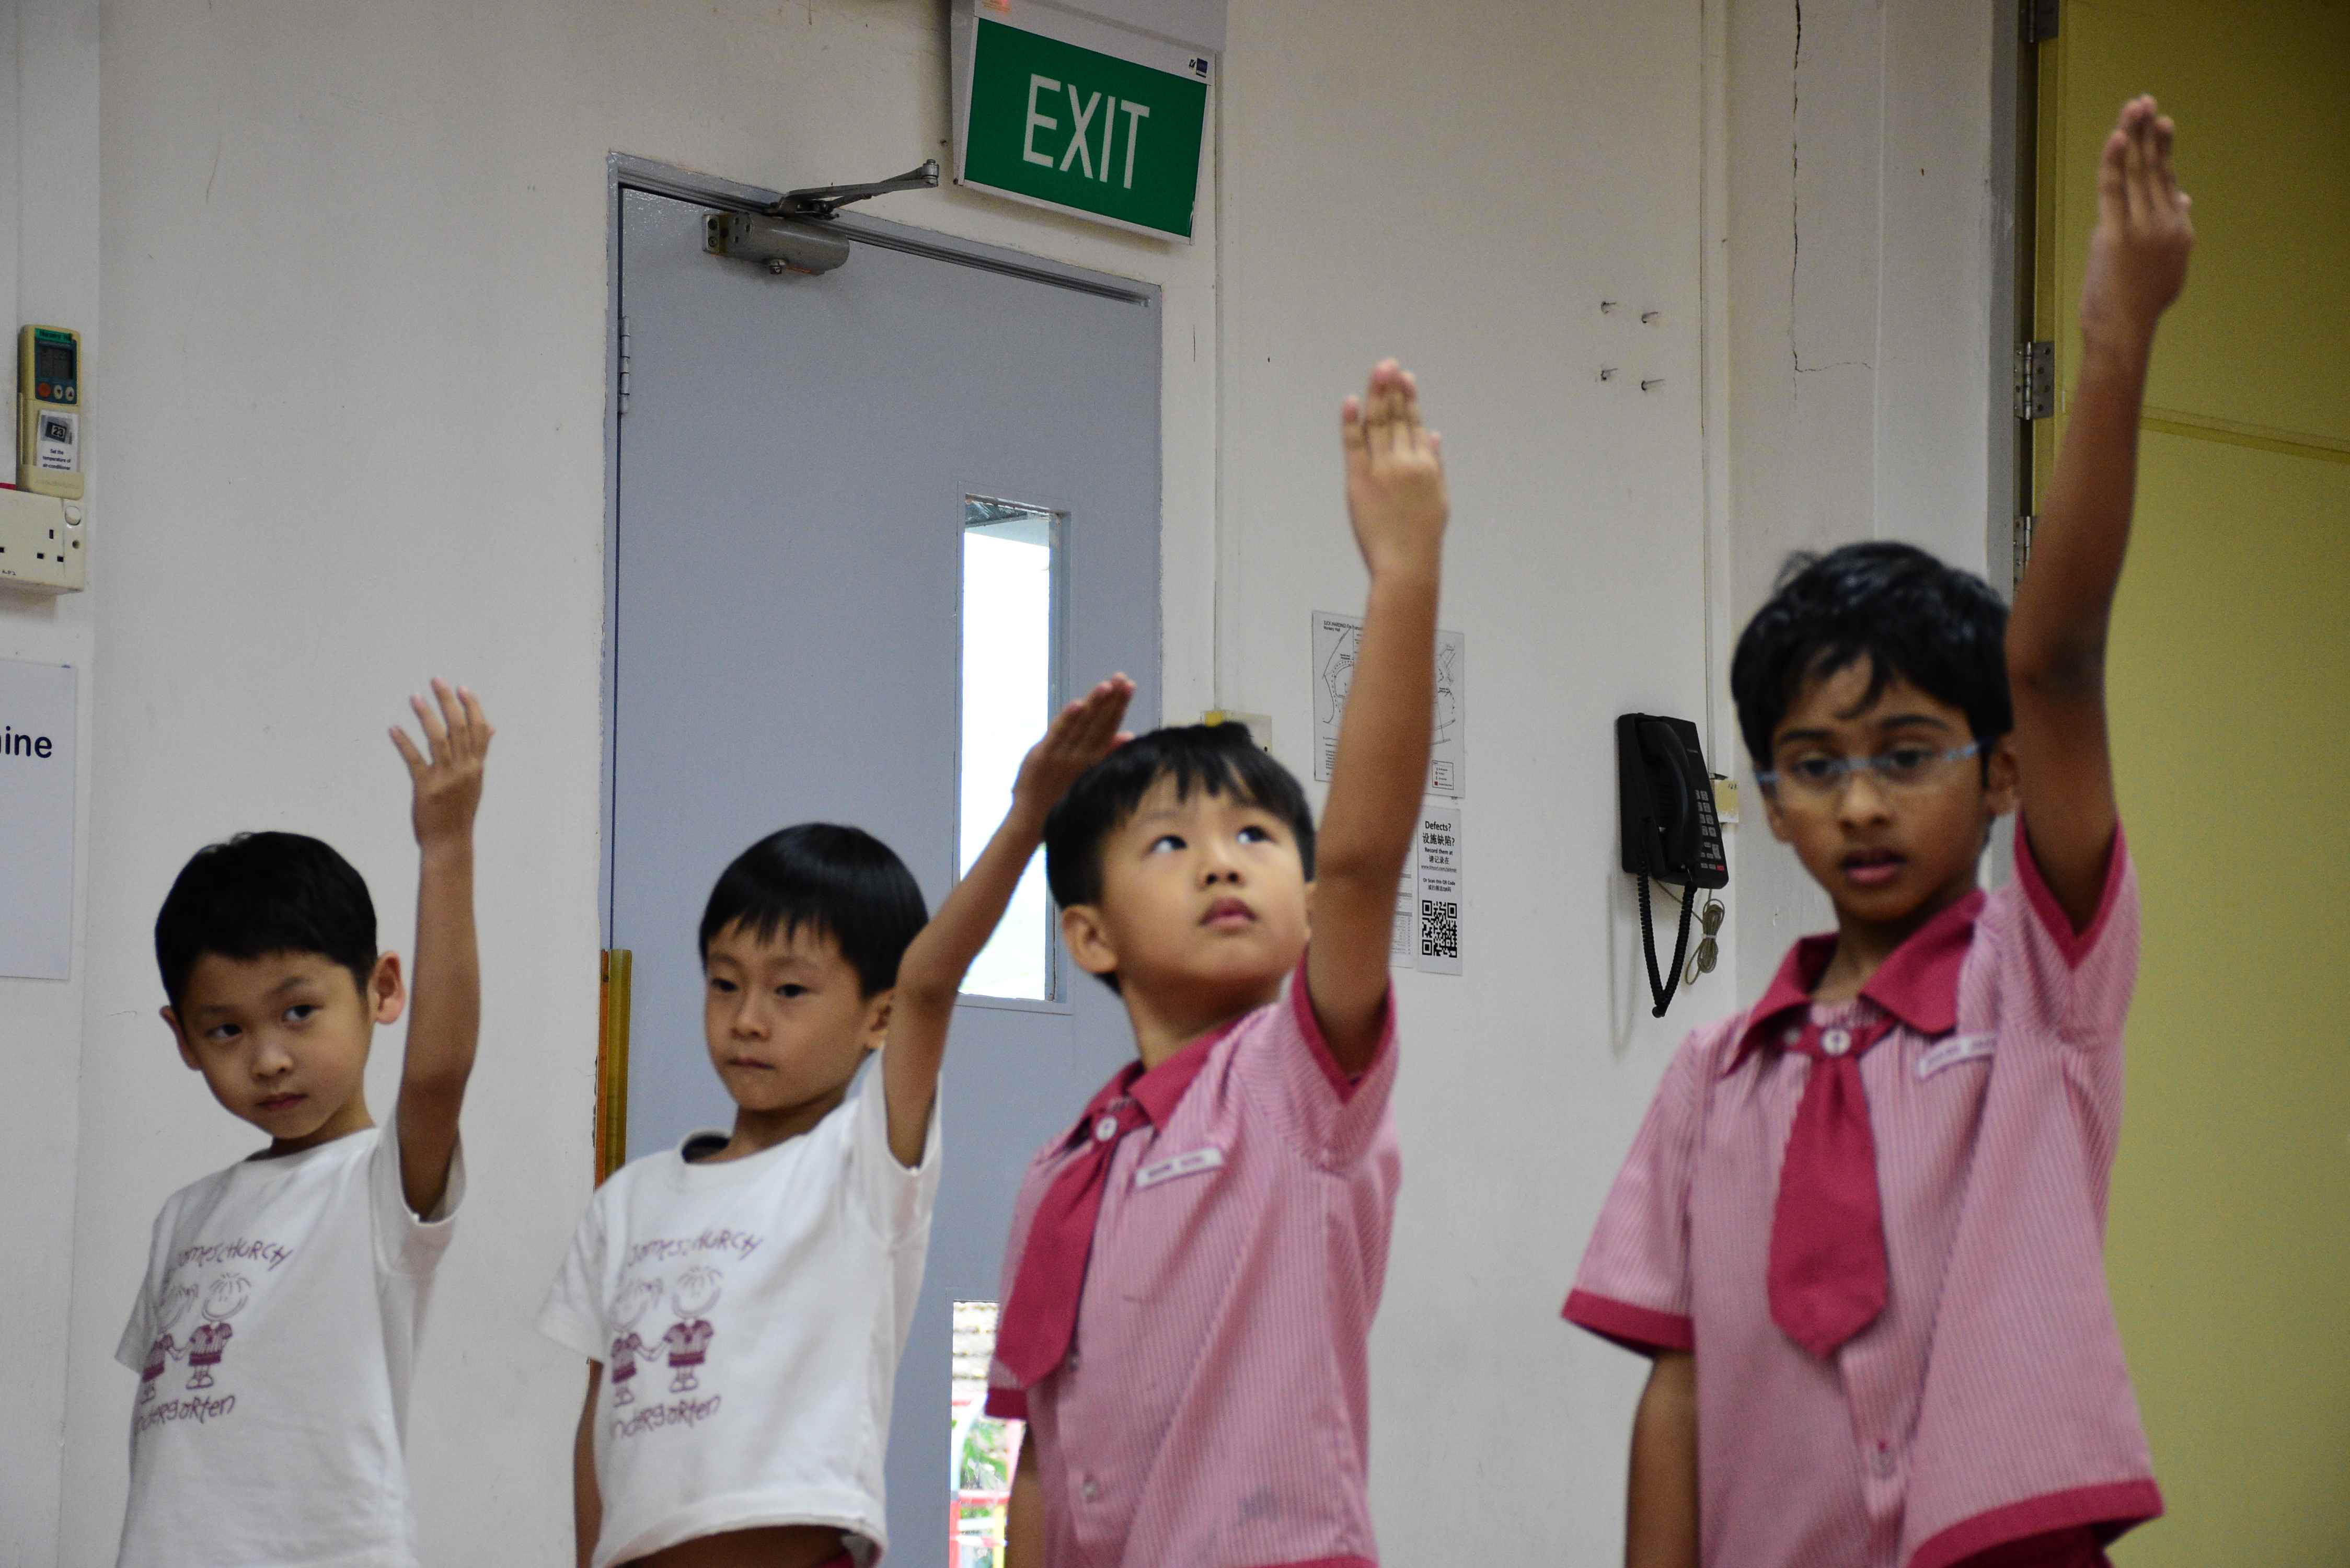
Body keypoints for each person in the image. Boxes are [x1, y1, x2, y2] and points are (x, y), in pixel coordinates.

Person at [1562, 97, 2194, 1568]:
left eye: (1906, 756)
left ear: (2001, 776)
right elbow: (1677, 1386)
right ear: (1772, 803)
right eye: (1814, 766)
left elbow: (2056, 660)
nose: (1857, 801)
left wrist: (2115, 347)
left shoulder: (2036, 989)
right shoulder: (1715, 1076)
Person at [988, 360, 1448, 1568]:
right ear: (1089, 936)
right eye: (1170, 844)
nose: (1220, 864)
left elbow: (1365, 859)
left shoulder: (1297, 1082)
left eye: (1255, 837)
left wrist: (1402, 575)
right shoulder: (1062, 1171)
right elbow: (1030, 1450)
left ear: (1308, 906)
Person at [540, 677, 1134, 1568]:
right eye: (724, 983)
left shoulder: (862, 1168)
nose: (747, 1019)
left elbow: (930, 980)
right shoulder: (628, 1203)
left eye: (789, 991)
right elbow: (598, 1429)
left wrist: (1026, 817)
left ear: (878, 1018)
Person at [116, 680, 493, 1568]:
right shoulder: (185, 1217)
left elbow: (438, 1074)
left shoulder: (380, 1186)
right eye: (226, 1030)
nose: (269, 1059)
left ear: (382, 991)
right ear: (183, 1039)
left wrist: (446, 847)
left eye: (298, 1012)